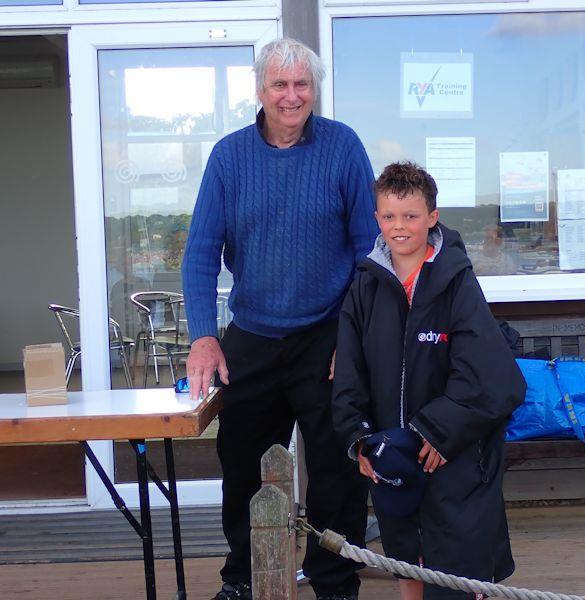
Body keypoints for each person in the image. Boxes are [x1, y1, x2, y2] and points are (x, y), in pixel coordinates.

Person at [181, 37, 377, 600]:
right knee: (240, 464)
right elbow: (200, 254)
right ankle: (242, 577)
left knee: (338, 467)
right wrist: (203, 338)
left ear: (313, 89)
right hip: (254, 337)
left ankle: (334, 579)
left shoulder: (342, 147)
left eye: (302, 84)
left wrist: (354, 334)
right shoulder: (228, 156)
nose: (291, 96)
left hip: (326, 334)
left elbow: (370, 250)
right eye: (279, 84)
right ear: (260, 90)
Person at [332, 162, 526, 600]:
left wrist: (437, 432)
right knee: (405, 556)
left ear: (433, 217)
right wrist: (359, 439)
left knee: (456, 574)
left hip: (452, 459)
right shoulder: (364, 286)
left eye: (411, 216)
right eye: (388, 216)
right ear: (377, 218)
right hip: (393, 457)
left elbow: (493, 377)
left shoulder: (456, 282)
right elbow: (348, 375)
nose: (399, 227)